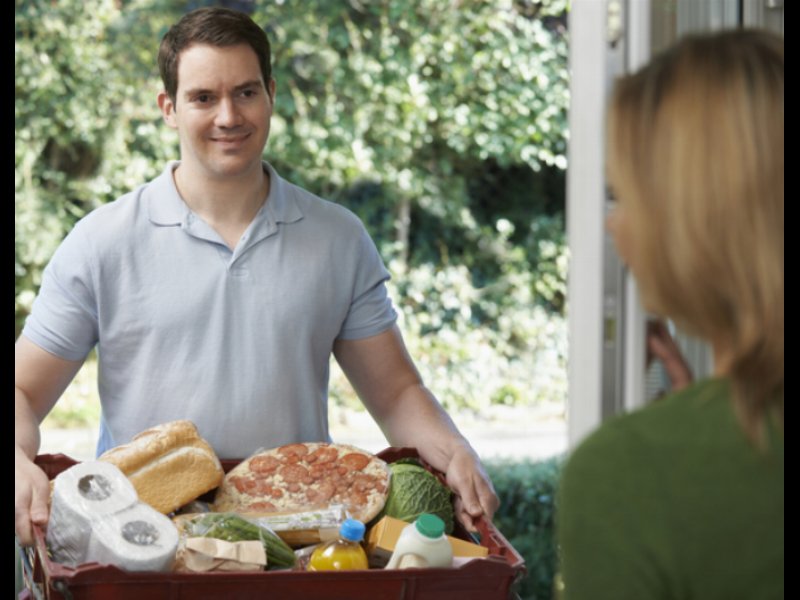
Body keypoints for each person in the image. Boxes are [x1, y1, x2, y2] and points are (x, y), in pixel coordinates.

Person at [14, 7, 498, 546]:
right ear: (169, 108)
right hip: (144, 545)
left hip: (297, 548)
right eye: (203, 98)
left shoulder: (338, 238)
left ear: (271, 94)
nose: (228, 116)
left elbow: (396, 392)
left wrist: (454, 448)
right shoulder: (101, 241)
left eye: (245, 93)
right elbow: (22, 391)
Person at [557, 29, 783, 599]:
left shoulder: (629, 473)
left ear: (696, 218)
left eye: (626, 195)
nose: (613, 225)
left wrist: (680, 439)